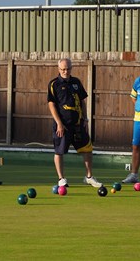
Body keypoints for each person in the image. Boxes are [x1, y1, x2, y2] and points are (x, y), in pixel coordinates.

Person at [47, 58, 102, 188]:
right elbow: (51, 105)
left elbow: (82, 101)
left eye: (68, 69)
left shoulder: (76, 82)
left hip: (78, 124)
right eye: (63, 69)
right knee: (59, 152)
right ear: (58, 69)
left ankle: (89, 177)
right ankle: (61, 179)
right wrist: (59, 123)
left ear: (71, 68)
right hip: (62, 125)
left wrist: (86, 119)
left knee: (87, 149)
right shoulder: (53, 84)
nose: (66, 71)